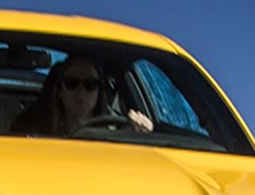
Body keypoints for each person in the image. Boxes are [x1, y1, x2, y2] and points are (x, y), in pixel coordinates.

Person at [11, 55, 152, 136]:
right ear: (60, 91)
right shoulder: (32, 132)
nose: (81, 92)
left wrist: (142, 132)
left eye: (90, 84)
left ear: (99, 92)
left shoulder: (119, 133)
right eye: (72, 83)